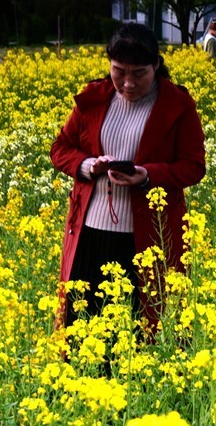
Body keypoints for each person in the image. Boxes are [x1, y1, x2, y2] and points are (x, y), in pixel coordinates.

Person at [50, 23, 206, 338]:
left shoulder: (178, 106)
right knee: (83, 327)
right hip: (90, 233)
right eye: (119, 71)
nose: (128, 83)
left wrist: (147, 175)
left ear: (156, 66)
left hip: (148, 235)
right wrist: (88, 165)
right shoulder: (93, 98)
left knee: (145, 327)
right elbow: (60, 149)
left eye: (138, 73)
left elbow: (194, 166)